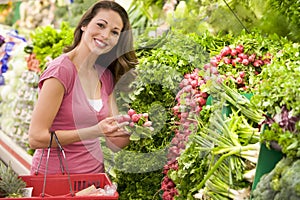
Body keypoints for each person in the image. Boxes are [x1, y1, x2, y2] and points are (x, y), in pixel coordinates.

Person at [28, 0, 138, 175]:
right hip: (55, 181)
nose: (105, 35)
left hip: (94, 179)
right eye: (101, 25)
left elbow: (114, 142)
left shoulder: (105, 76)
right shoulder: (61, 71)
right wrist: (93, 131)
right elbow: (35, 138)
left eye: (114, 32)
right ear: (85, 25)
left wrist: (134, 128)